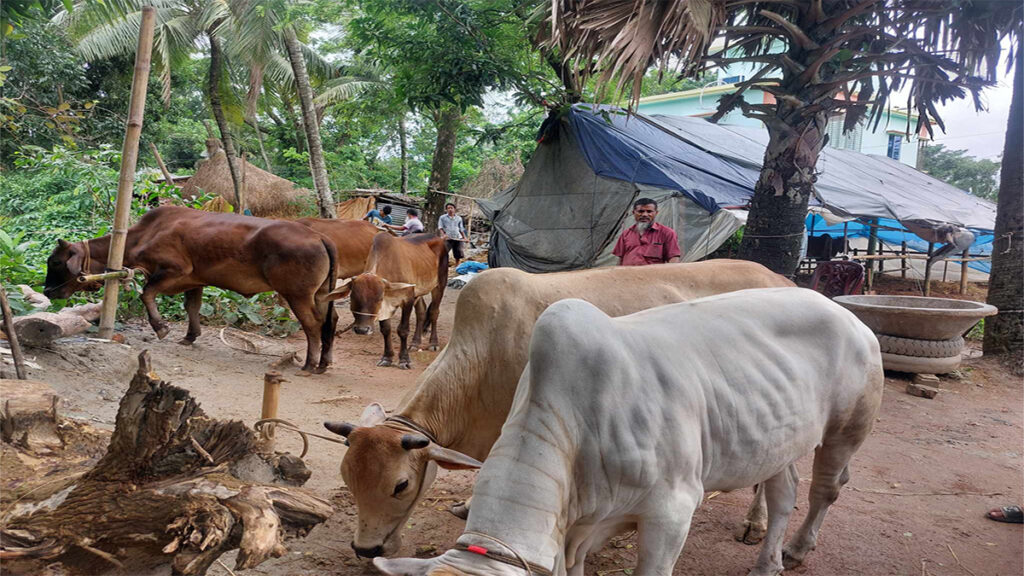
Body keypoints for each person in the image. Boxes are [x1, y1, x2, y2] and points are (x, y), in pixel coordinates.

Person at [612, 198, 681, 266]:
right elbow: (620, 259)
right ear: (634, 212)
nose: (645, 214)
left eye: (649, 211)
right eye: (640, 211)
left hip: (653, 276)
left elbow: (673, 258)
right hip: (627, 275)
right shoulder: (626, 234)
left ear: (656, 213)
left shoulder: (667, 233)